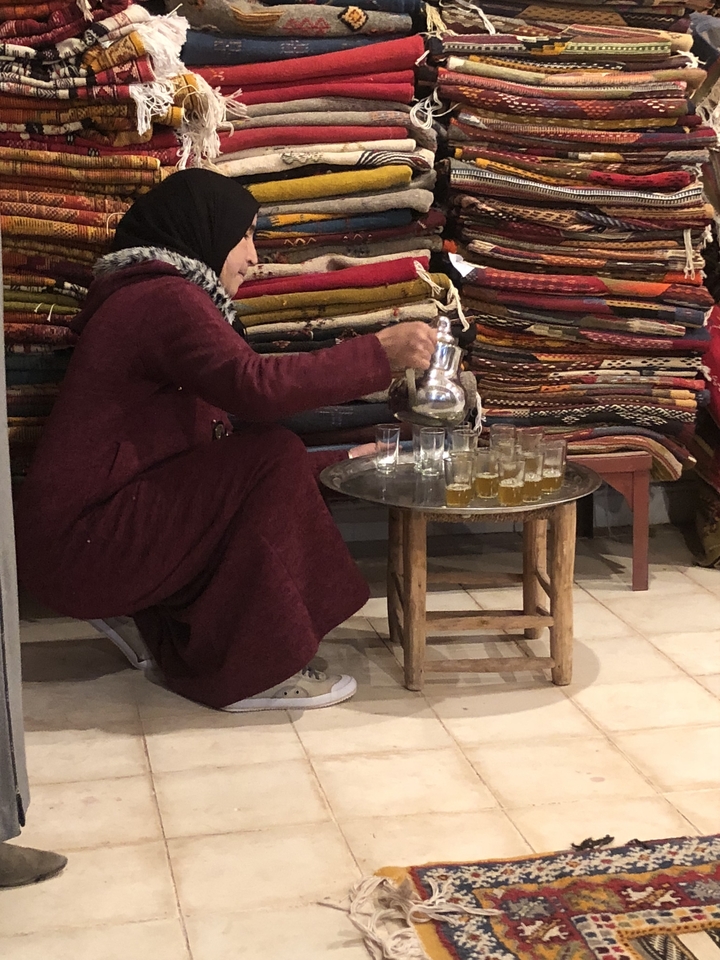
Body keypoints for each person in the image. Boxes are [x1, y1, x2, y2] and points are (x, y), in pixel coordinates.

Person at [15, 169, 437, 713]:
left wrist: (344, 462)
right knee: (269, 450)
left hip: (83, 539)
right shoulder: (164, 299)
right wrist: (379, 352)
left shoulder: (153, 297)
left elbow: (209, 465)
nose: (253, 256)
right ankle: (251, 674)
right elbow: (254, 389)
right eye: (245, 236)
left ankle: (235, 656)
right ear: (204, 230)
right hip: (83, 545)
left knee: (265, 454)